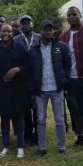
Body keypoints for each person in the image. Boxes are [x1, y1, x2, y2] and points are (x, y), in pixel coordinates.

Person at [29, 20, 71, 155]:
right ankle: (42, 148)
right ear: (39, 31)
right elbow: (31, 69)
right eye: (45, 29)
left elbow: (68, 66)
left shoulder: (61, 46)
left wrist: (64, 84)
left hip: (56, 89)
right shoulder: (34, 49)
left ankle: (62, 147)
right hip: (40, 90)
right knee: (40, 119)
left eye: (50, 29)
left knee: (59, 119)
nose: (48, 32)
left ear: (53, 31)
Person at [0, 24, 29, 158]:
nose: (6, 33)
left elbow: (28, 66)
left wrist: (17, 69)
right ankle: (6, 146)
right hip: (2, 90)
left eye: (8, 31)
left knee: (18, 117)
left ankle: (20, 146)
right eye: (3, 31)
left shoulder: (19, 47)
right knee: (5, 118)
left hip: (18, 88)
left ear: (12, 33)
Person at [60, 7, 83, 147]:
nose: (71, 17)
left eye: (74, 14)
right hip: (70, 80)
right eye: (69, 15)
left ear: (80, 16)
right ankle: (81, 136)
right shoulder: (64, 36)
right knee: (75, 109)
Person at [15, 14, 40, 146]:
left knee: (38, 109)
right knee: (25, 109)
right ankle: (27, 134)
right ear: (20, 25)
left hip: (37, 78)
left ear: (33, 23)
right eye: (23, 23)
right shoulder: (16, 39)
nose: (26, 25)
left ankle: (37, 134)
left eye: (28, 22)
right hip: (22, 79)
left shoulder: (40, 38)